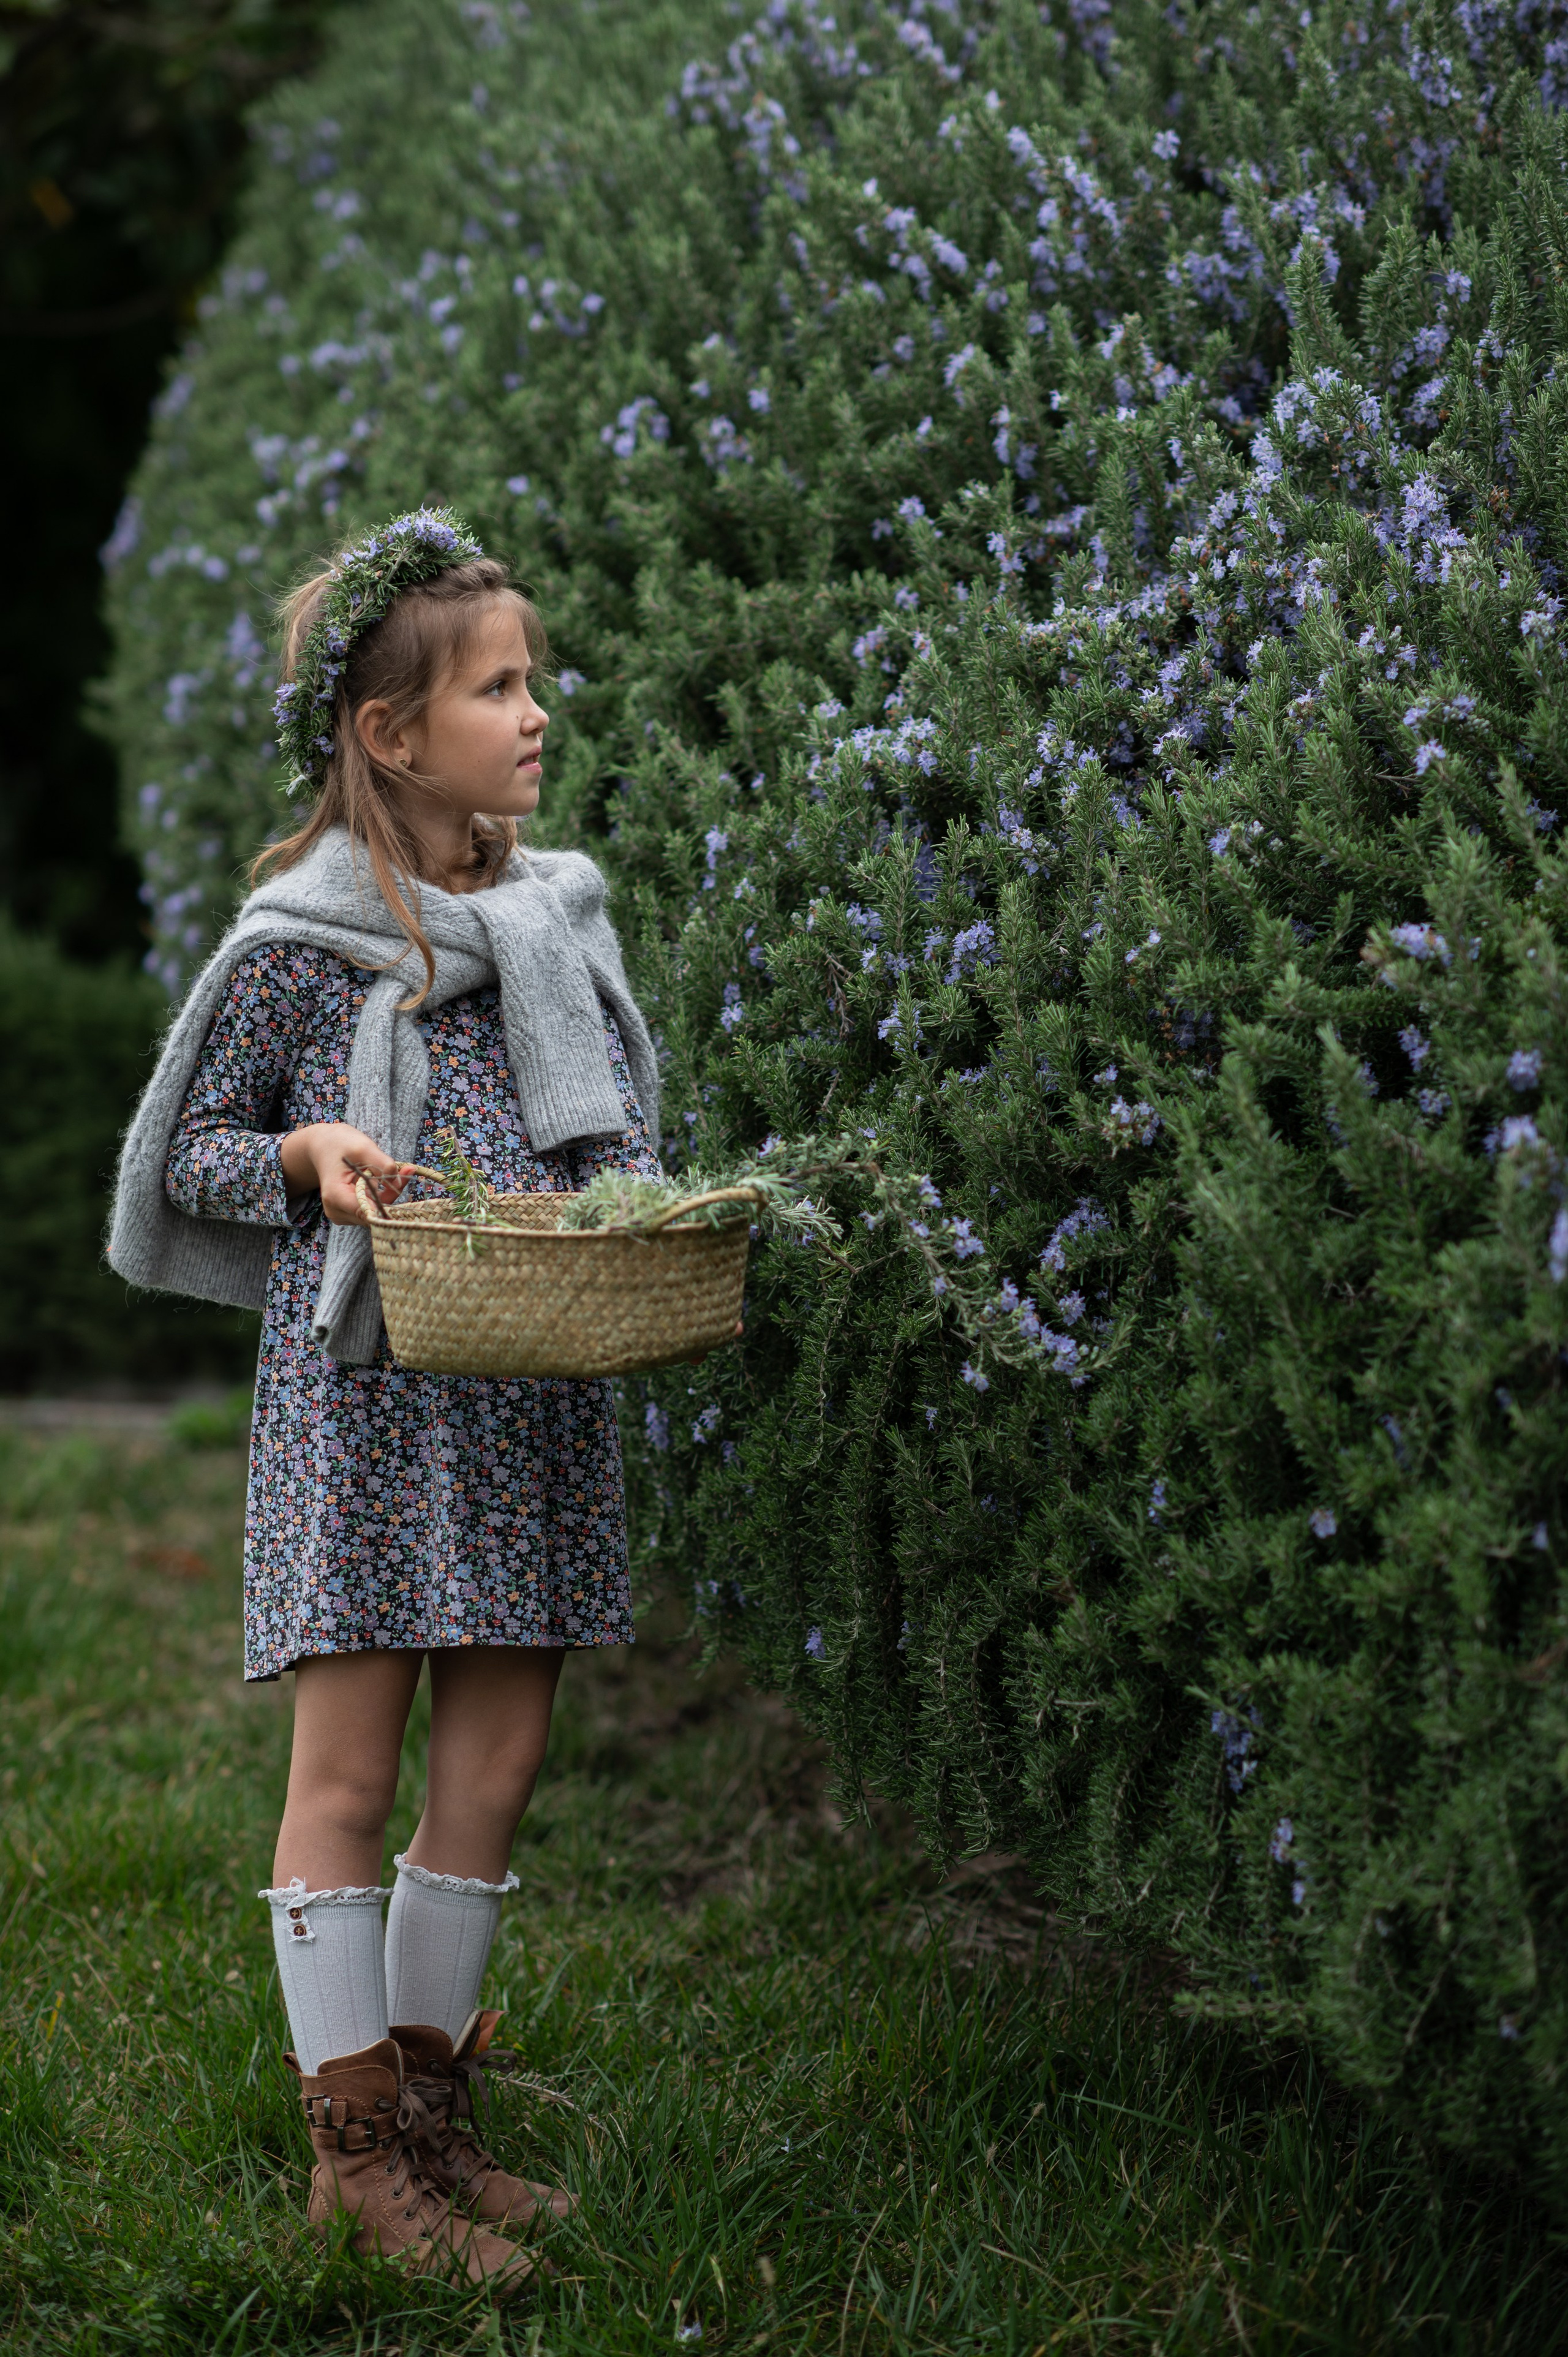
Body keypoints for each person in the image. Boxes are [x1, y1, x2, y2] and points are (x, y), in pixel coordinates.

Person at [110, 508, 663, 2294]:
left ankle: (433, 2110)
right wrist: (305, 1149)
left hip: (525, 1400)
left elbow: (619, 1121)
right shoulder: (306, 938)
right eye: (500, 688)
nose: (535, 715)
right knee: (350, 1773)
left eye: (534, 682)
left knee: (496, 1760)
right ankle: (353, 2155)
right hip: (367, 1404)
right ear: (389, 732)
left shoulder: (550, 911)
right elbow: (184, 1151)